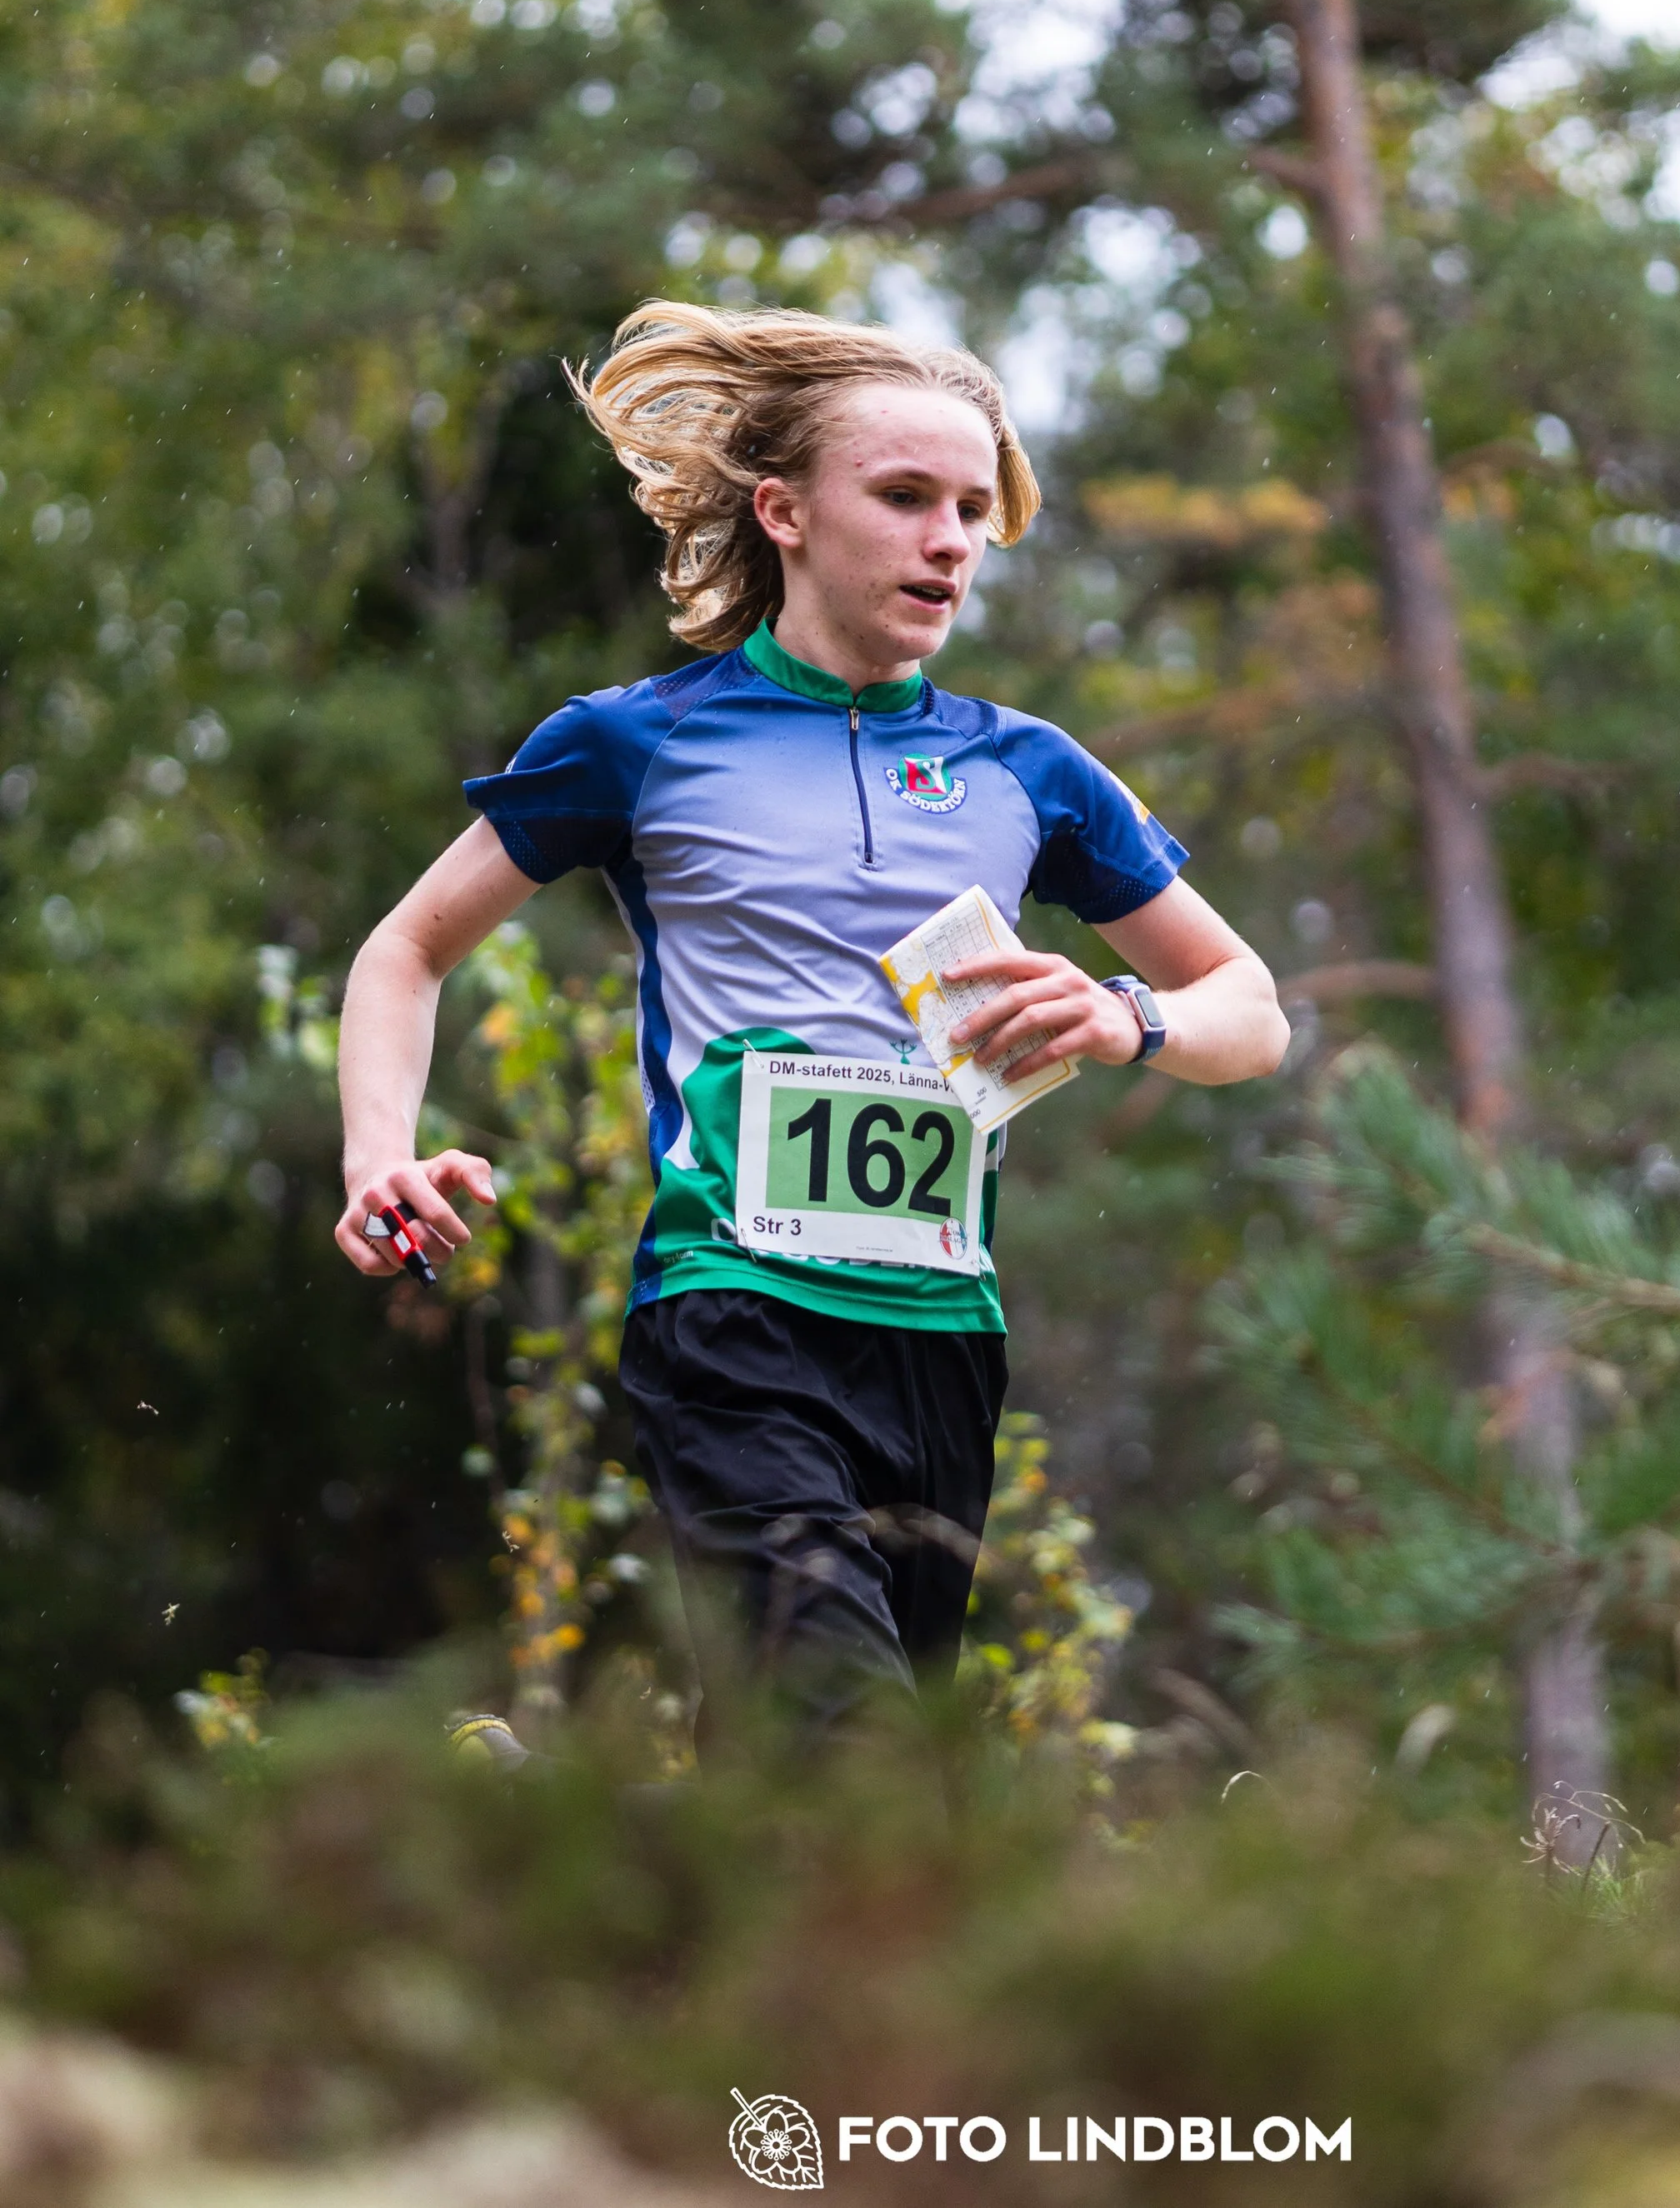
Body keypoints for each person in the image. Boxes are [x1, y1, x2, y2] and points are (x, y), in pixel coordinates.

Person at [335, 302, 1288, 1723]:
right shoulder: (637, 742)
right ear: (782, 512)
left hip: (942, 1335)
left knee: (836, 1814)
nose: (950, 540)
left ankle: (617, 1920)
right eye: (904, 498)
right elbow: (405, 950)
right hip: (733, 1313)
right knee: (851, 1737)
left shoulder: (1029, 772)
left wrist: (1121, 1017)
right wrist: (378, 1155)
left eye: (973, 508)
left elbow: (1252, 1008)